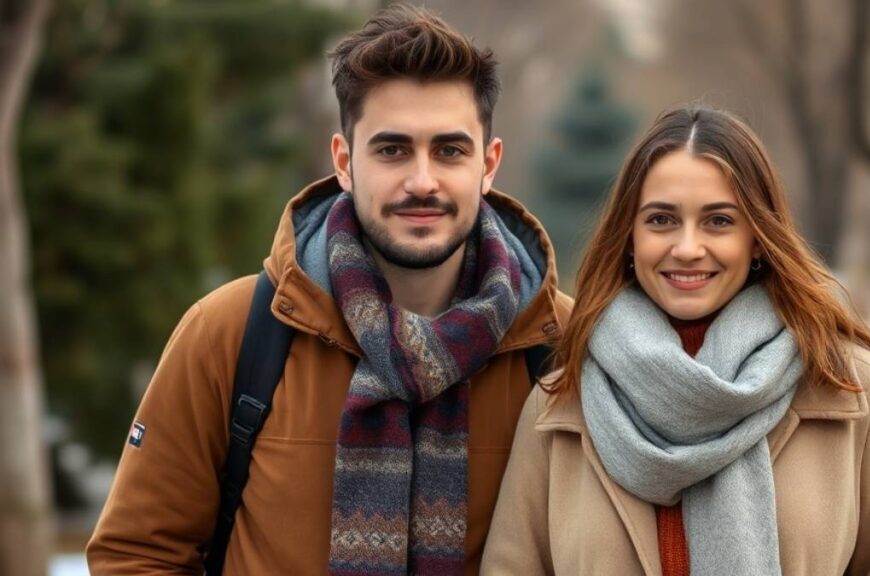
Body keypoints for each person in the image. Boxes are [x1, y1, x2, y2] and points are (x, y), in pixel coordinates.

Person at [87, 5, 571, 575]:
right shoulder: (234, 332)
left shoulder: (561, 347)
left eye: (449, 150)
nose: (422, 180)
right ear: (343, 161)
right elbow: (138, 554)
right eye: (392, 150)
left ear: (489, 165)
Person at [481, 105, 870, 575]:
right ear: (630, 237)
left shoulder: (854, 391)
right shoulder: (560, 404)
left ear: (759, 237)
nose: (686, 248)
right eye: (661, 220)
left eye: (718, 221)